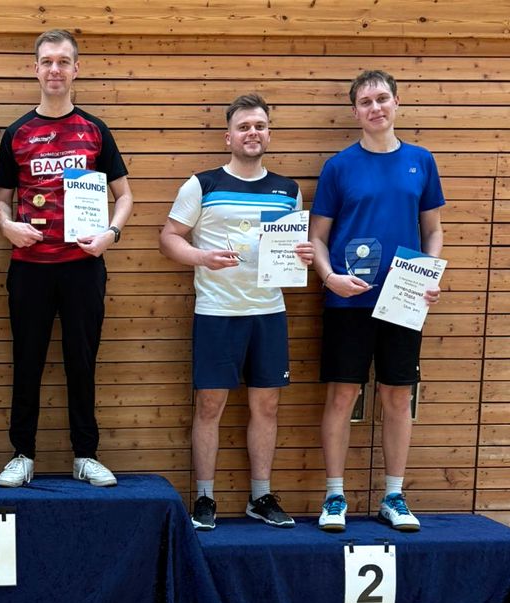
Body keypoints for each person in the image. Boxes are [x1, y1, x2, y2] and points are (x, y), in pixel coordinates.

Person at [159, 94, 313, 530]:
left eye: (259, 126)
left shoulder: (288, 191)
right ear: (228, 137)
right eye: (244, 126)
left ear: (269, 134)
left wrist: (301, 255)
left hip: (269, 311)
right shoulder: (202, 185)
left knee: (267, 407)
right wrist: (201, 258)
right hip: (217, 311)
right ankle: (205, 498)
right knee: (210, 406)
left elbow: (291, 251)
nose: (252, 133)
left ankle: (260, 496)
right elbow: (169, 237)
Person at [0, 29, 133, 488]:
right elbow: (0, 201)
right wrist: (8, 227)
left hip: (82, 266)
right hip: (29, 268)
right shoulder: (16, 133)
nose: (55, 69)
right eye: (47, 61)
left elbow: (125, 196)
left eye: (63, 61)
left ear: (75, 69)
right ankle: (22, 454)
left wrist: (111, 233)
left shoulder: (95, 130)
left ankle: (85, 455)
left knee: (81, 362)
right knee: (26, 361)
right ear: (35, 69)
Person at [310, 70, 444, 533]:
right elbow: (317, 237)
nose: (375, 108)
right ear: (355, 112)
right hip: (348, 301)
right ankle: (334, 496)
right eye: (366, 102)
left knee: (397, 395)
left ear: (397, 103)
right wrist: (329, 278)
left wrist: (429, 274)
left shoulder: (421, 161)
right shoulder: (338, 167)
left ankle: (393, 496)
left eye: (382, 99)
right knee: (342, 394)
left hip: (403, 300)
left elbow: (433, 230)